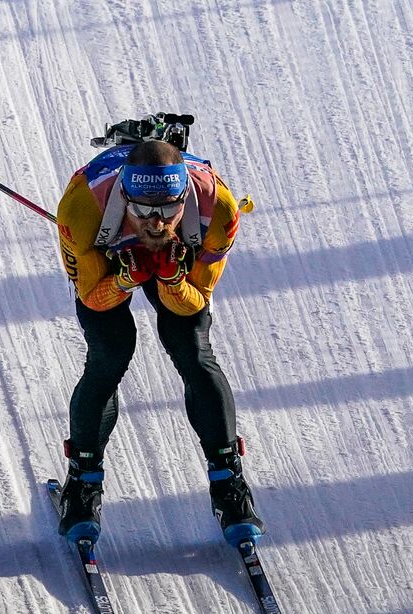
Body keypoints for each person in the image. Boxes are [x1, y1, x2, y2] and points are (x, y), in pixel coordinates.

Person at [52, 138, 263, 547]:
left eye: (168, 208)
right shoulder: (81, 210)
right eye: (142, 209)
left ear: (186, 194)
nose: (155, 223)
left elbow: (192, 305)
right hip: (106, 251)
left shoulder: (218, 209)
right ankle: (83, 481)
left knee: (193, 351)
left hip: (173, 266)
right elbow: (94, 298)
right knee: (110, 354)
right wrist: (128, 277)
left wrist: (169, 279)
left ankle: (229, 482)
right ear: (125, 197)